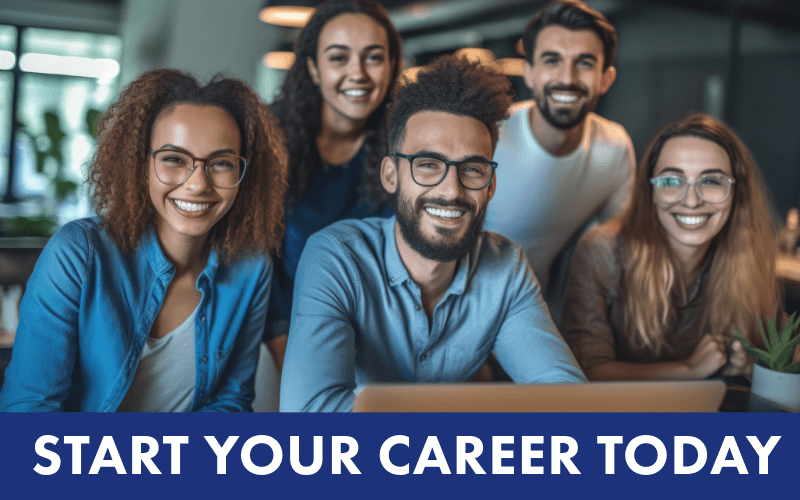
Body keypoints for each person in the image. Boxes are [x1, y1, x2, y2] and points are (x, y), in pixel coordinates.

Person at [280, 55, 587, 412]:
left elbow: (569, 403)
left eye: (472, 169)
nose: (451, 191)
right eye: (428, 165)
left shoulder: (506, 268)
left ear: (490, 185)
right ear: (391, 176)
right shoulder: (336, 257)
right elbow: (309, 415)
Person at [0, 69, 289, 411]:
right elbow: (29, 409)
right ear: (141, 164)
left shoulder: (252, 267)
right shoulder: (78, 252)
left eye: (221, 163)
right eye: (173, 159)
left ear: (245, 174)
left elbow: (231, 400)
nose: (198, 184)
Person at [562, 113, 782, 380]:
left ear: (737, 194)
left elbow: (783, 357)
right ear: (650, 192)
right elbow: (586, 371)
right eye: (671, 181)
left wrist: (750, 369)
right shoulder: (603, 252)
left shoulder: (751, 257)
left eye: (711, 181)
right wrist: (687, 370)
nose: (691, 201)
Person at [265, 0, 402, 370]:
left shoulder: (405, 147)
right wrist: (287, 352)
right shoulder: (269, 141)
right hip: (281, 335)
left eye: (373, 58)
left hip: (377, 340)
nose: (357, 73)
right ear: (313, 68)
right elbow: (255, 260)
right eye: (339, 58)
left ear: (391, 66)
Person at [484, 0, 635, 323]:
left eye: (584, 63)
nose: (567, 78)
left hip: (531, 315)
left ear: (605, 78)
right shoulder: (487, 133)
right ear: (530, 72)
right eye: (552, 60)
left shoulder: (614, 148)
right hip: (450, 308)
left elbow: (620, 248)